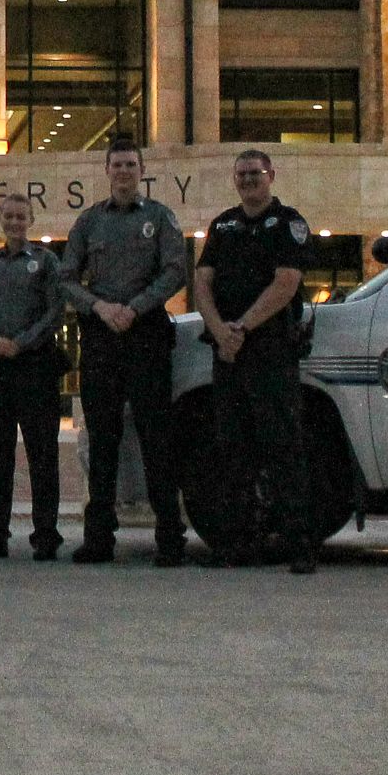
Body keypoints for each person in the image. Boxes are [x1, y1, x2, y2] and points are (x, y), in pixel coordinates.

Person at [60, 140, 191, 566]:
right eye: (117, 165)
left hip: (146, 333)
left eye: (131, 165)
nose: (123, 172)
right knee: (103, 441)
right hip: (100, 337)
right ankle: (99, 538)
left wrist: (134, 308)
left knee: (158, 438)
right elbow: (65, 278)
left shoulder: (159, 217)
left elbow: (175, 270)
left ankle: (169, 538)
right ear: (107, 169)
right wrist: (100, 307)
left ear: (142, 170)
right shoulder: (89, 221)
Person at [195, 148, 319, 575]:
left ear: (271, 175)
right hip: (228, 353)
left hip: (270, 352)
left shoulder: (288, 224)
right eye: (242, 174)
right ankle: (236, 544)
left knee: (284, 448)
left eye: (255, 173)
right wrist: (220, 331)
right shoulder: (223, 225)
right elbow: (202, 283)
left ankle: (298, 545)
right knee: (232, 450)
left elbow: (286, 283)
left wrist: (242, 328)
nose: (248, 180)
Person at [0, 194, 66, 562]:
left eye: (22, 216)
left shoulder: (47, 261)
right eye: (9, 216)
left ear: (32, 219)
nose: (15, 222)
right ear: (0, 220)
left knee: (43, 453)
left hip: (36, 367)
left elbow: (55, 311)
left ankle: (46, 534)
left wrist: (20, 343)